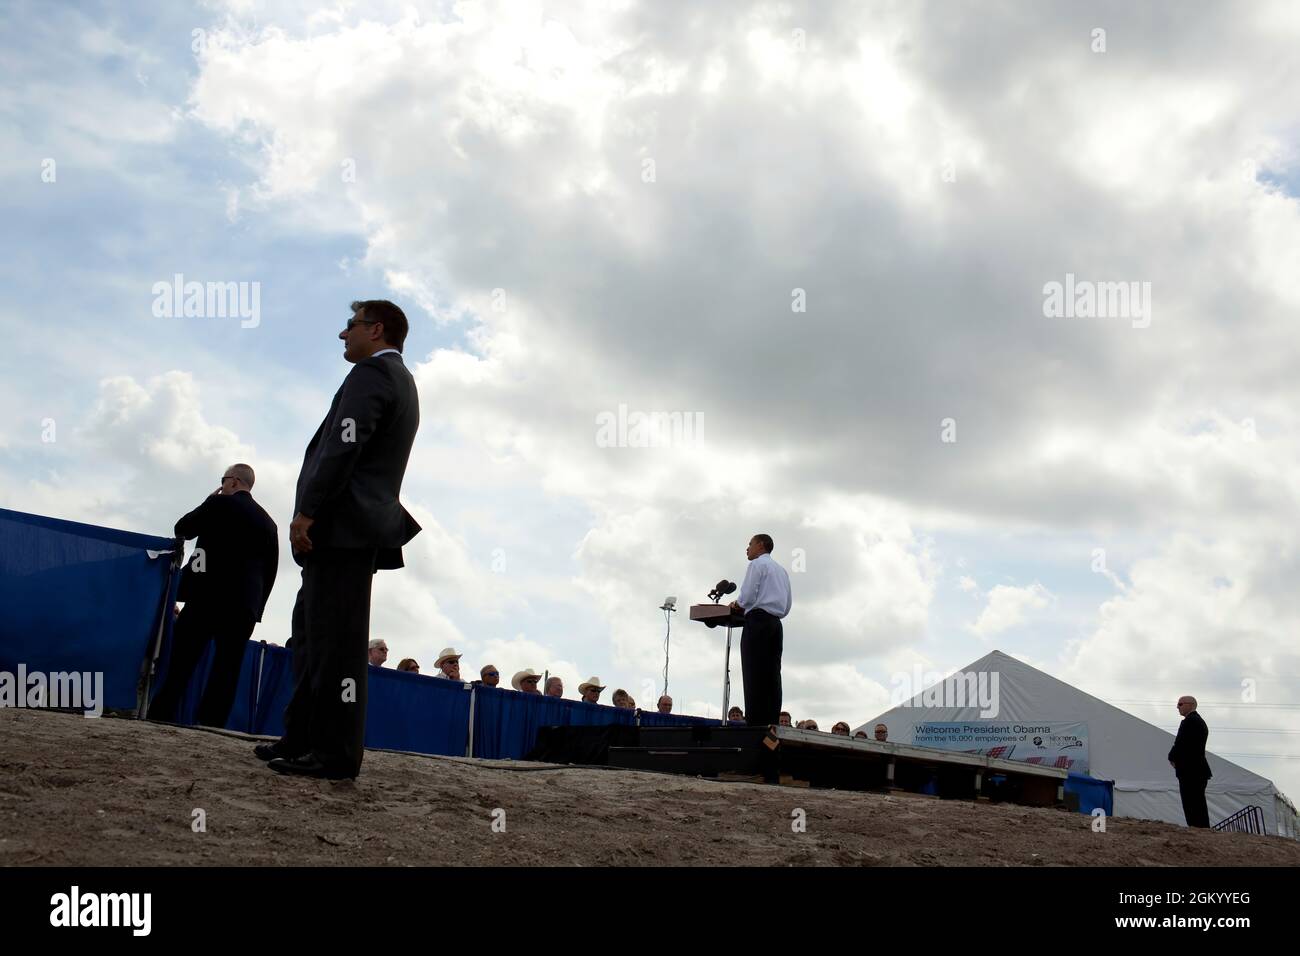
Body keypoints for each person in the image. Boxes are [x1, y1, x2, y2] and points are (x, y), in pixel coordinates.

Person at [260, 299, 421, 781]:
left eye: (349, 325)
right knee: (310, 637)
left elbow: (342, 447)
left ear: (375, 330)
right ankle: (304, 738)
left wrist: (307, 511)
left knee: (335, 645)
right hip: (350, 529)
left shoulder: (372, 376)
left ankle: (334, 754)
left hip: (344, 528)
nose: (341, 334)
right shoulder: (398, 379)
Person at [148, 463, 278, 728]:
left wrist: (209, 500)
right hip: (244, 606)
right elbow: (271, 570)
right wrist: (257, 608)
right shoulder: (269, 523)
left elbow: (182, 528)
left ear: (232, 482)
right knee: (227, 669)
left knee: (183, 660)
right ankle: (211, 723)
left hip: (207, 597)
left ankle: (162, 715)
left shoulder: (218, 504)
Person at [728, 533, 792, 727]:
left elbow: (747, 595)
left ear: (761, 545)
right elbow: (788, 604)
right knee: (773, 674)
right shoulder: (781, 571)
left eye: (750, 544)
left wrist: (737, 605)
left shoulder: (756, 565)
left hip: (757, 621)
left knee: (754, 672)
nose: (747, 549)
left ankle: (755, 724)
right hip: (776, 624)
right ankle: (771, 722)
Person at [1168, 695, 1212, 828]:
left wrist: (1172, 756)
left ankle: (1198, 829)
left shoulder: (1190, 721)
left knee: (1192, 803)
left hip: (1191, 770)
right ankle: (1201, 828)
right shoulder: (1198, 721)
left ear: (1190, 705)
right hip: (1196, 770)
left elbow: (1181, 743)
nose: (1177, 707)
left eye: (1180, 704)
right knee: (1197, 802)